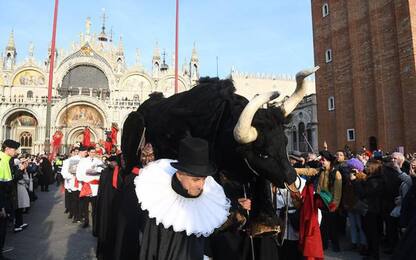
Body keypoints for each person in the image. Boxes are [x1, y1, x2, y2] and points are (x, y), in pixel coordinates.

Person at [135, 137, 230, 260]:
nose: (201, 185)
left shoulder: (209, 201)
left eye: (204, 179)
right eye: (195, 179)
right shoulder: (159, 206)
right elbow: (150, 250)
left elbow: (209, 243)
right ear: (180, 175)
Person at [0, 139, 20, 260]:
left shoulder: (6, 161)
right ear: (7, 149)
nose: (15, 152)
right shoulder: (2, 161)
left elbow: (8, 182)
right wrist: (1, 206)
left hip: (5, 199)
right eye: (13, 149)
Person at [76, 147, 103, 229]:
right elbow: (79, 172)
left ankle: (95, 222)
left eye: (94, 152)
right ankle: (86, 221)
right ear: (88, 152)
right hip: (87, 185)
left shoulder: (98, 161)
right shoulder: (83, 161)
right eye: (91, 152)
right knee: (85, 205)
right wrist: (84, 180)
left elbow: (102, 171)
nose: (93, 153)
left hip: (95, 186)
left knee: (95, 206)